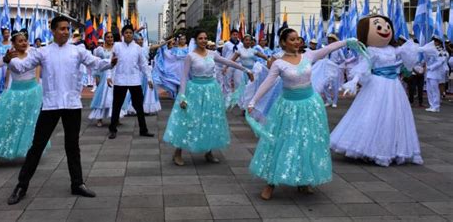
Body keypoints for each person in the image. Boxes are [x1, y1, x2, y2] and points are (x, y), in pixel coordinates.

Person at [5, 16, 117, 205]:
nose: (66, 32)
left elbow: (95, 62)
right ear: (53, 30)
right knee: (37, 146)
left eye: (67, 29)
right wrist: (8, 60)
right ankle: (21, 186)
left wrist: (110, 63)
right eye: (62, 28)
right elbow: (21, 66)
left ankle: (77, 183)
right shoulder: (43, 52)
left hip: (72, 105)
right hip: (50, 104)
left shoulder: (77, 51)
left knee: (72, 146)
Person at [247, 28, 356, 200]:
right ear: (283, 42)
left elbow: (328, 49)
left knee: (307, 142)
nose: (297, 42)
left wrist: (347, 41)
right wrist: (253, 101)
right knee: (281, 142)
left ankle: (303, 181)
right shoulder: (278, 63)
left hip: (310, 106)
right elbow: (268, 83)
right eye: (292, 39)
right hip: (288, 108)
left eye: (298, 39)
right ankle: (271, 183)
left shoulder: (308, 56)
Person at [331, 15, 423, 166]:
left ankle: (392, 148)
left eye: (387, 26)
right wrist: (354, 81)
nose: (385, 29)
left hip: (394, 86)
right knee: (372, 114)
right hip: (377, 85)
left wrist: (415, 61)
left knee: (394, 116)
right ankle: (368, 147)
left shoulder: (394, 49)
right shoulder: (371, 50)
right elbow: (364, 66)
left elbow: (408, 56)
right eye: (378, 27)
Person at [163, 30, 254, 166]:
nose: (204, 41)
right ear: (195, 40)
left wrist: (246, 70)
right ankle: (178, 152)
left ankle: (209, 151)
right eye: (200, 38)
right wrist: (182, 96)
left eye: (205, 38)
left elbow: (228, 62)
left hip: (211, 90)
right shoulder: (190, 56)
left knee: (210, 120)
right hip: (194, 90)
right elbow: (183, 76)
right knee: (189, 120)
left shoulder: (212, 54)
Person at [0, 31, 43, 162]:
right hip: (14, 94)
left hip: (32, 93)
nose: (24, 43)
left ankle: (28, 152)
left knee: (29, 123)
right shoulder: (8, 57)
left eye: (25, 40)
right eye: (20, 41)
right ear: (13, 43)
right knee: (5, 122)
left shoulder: (33, 54)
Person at [108, 24, 154, 139]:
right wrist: (109, 76)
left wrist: (149, 78)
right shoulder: (117, 46)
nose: (128, 34)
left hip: (134, 80)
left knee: (139, 106)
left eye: (130, 33)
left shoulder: (137, 48)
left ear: (133, 35)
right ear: (123, 35)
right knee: (116, 106)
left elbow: (143, 65)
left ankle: (143, 130)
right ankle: (113, 129)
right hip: (120, 80)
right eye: (126, 33)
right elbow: (112, 63)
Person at [89, 32, 115, 127]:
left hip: (114, 75)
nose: (110, 38)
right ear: (105, 38)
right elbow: (96, 64)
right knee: (101, 96)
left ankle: (115, 117)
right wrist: (96, 76)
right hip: (103, 74)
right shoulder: (99, 50)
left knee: (114, 97)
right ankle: (99, 119)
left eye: (111, 37)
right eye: (108, 37)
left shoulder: (116, 49)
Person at [323, 34, 345, 108]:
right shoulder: (326, 48)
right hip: (327, 68)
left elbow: (343, 59)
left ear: (334, 40)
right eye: (329, 39)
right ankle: (328, 100)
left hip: (334, 68)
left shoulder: (338, 49)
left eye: (331, 39)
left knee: (335, 86)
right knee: (325, 85)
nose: (330, 40)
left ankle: (335, 102)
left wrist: (336, 63)